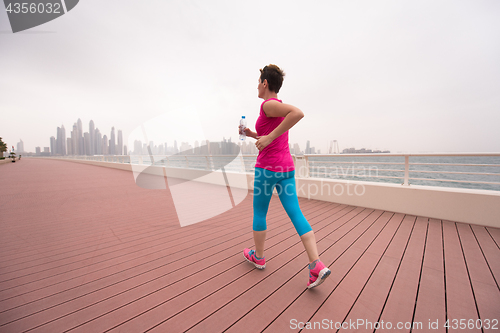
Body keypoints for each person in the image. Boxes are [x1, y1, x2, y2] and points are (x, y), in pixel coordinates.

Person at [241, 64, 331, 289]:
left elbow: (298, 114)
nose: (257, 87)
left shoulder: (268, 104)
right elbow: (276, 131)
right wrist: (254, 135)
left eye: (258, 82)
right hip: (286, 170)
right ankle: (316, 265)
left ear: (264, 83)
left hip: (267, 170)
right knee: (295, 213)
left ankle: (258, 256)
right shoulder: (275, 108)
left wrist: (268, 138)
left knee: (260, 212)